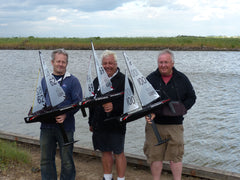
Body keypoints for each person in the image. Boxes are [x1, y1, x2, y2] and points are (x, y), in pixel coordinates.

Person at [144, 49, 196, 180]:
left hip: (175, 126)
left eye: (166, 62)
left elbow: (192, 97)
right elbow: (143, 99)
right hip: (154, 125)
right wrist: (148, 112)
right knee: (155, 157)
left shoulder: (182, 79)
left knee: (176, 157)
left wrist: (182, 109)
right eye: (160, 62)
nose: (163, 65)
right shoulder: (150, 79)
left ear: (172, 63)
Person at [40, 49, 83, 180]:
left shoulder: (73, 81)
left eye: (63, 62)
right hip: (46, 127)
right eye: (58, 61)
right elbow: (40, 101)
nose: (60, 64)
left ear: (67, 64)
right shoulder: (44, 80)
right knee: (46, 160)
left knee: (67, 161)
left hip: (66, 127)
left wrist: (66, 115)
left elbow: (78, 102)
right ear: (52, 62)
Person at [88, 50, 129, 180]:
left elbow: (130, 103)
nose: (108, 66)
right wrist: (91, 122)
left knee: (118, 152)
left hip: (117, 123)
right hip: (100, 124)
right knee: (105, 151)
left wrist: (114, 107)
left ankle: (121, 178)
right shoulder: (96, 81)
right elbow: (91, 104)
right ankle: (107, 177)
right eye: (105, 63)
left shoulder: (124, 80)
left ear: (116, 64)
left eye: (111, 63)